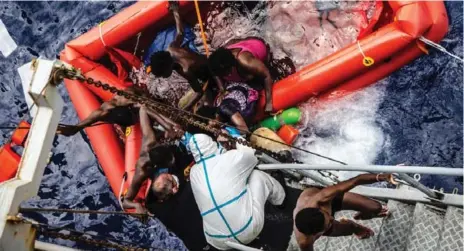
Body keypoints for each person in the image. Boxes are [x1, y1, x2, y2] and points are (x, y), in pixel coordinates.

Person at [187, 133, 286, 250]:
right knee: (257, 175)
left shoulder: (193, 172)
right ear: (212, 143)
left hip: (218, 241)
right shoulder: (228, 158)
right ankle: (281, 201)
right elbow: (251, 154)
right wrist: (234, 136)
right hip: (247, 229)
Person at [293, 173, 396, 251]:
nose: (333, 219)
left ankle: (362, 214)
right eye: (329, 224)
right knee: (350, 229)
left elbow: (356, 180)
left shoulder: (322, 198)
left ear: (318, 209)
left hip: (331, 201)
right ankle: (355, 227)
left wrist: (382, 177)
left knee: (375, 207)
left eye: (328, 217)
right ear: (315, 235)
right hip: (321, 219)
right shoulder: (305, 241)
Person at [122, 105, 191, 213]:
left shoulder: (150, 140)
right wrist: (137, 206)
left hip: (164, 137)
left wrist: (170, 127)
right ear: (157, 164)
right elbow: (125, 201)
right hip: (167, 180)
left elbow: (143, 109)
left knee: (176, 126)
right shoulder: (141, 172)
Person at [148, 1, 213, 111]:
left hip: (211, 75)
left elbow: (199, 92)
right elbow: (180, 33)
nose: (164, 77)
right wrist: (175, 10)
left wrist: (183, 110)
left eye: (163, 74)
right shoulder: (171, 48)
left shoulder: (186, 69)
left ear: (167, 66)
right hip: (205, 60)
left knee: (204, 106)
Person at [56, 86, 178, 138]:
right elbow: (94, 116)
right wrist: (75, 128)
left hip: (139, 110)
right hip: (127, 118)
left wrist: (169, 125)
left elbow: (154, 109)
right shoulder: (108, 110)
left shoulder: (136, 100)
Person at [208, 37, 274, 113]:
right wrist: (222, 89)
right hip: (234, 46)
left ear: (230, 67)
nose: (223, 76)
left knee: (255, 80)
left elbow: (267, 76)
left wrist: (269, 103)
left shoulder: (245, 62)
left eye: (224, 73)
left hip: (256, 46)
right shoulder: (218, 66)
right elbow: (215, 74)